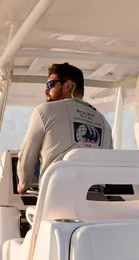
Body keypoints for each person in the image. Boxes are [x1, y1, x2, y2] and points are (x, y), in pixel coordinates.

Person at [16, 62, 113, 194]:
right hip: (95, 202)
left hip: (58, 197)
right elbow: (108, 167)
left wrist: (23, 184)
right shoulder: (104, 122)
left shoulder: (45, 111)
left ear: (67, 85)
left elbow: (27, 155)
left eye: (50, 84)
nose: (46, 90)